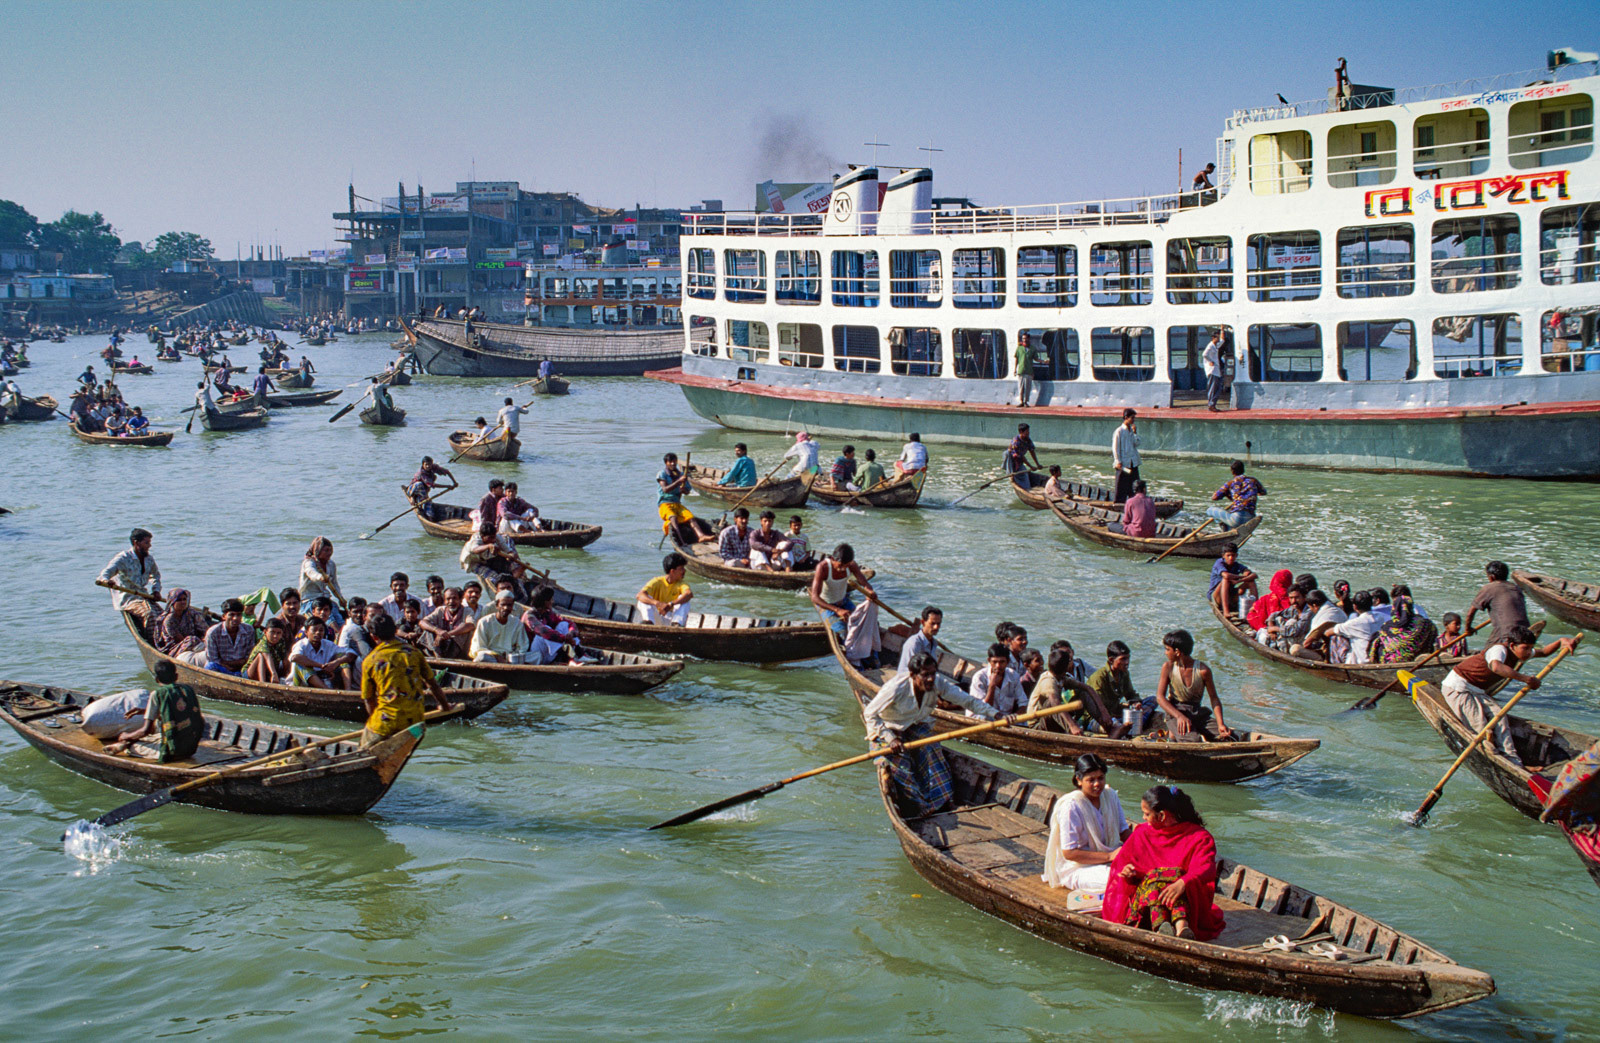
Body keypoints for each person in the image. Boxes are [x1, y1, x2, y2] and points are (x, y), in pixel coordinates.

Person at [862, 652, 1002, 816]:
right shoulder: (896, 688)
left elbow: (967, 701)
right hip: (886, 727)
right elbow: (870, 714)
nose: (930, 679)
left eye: (933, 674)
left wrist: (995, 714)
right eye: (925, 675)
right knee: (900, 765)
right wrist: (891, 738)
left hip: (913, 724)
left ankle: (944, 800)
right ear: (913, 675)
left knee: (932, 748)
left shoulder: (938, 683)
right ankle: (919, 806)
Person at [1440, 626, 1579, 764]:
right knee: (1480, 727)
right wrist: (1526, 679)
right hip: (1458, 687)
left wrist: (1561, 642)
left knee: (1500, 717)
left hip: (1477, 690)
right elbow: (1496, 667)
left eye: (1531, 648)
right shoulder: (1499, 650)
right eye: (1526, 648)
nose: (1528, 652)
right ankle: (1493, 757)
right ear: (1512, 645)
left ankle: (1513, 760)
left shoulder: (1519, 652)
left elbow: (1543, 652)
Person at [1103, 786, 1225, 940]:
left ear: (1161, 816)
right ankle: (1164, 927)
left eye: (1147, 814)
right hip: (1146, 903)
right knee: (1155, 879)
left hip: (1183, 901)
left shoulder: (1200, 837)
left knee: (1174, 877)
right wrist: (1129, 873)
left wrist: (1183, 883)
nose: (1143, 818)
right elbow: (1123, 865)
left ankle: (1181, 928)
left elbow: (1205, 868)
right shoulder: (1141, 833)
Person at [1042, 754, 1134, 893]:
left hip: (1112, 858)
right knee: (1121, 879)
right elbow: (1069, 853)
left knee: (1141, 871)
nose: (1097, 784)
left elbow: (1123, 831)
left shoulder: (1111, 796)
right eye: (1091, 780)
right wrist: (1109, 856)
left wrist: (1140, 847)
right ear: (1079, 780)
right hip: (1078, 868)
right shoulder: (1071, 806)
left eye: (1100, 778)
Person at [359, 612, 453, 747]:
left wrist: (373, 723)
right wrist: (445, 707)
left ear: (373, 637)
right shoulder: (414, 653)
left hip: (387, 722)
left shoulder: (370, 660)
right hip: (415, 723)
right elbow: (433, 685)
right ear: (395, 632)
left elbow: (368, 699)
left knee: (363, 749)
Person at [105, 660, 204, 763]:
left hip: (172, 752)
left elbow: (145, 730)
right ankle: (126, 743)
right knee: (154, 735)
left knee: (132, 746)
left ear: (156, 679)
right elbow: (176, 712)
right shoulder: (188, 690)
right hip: (191, 747)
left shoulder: (157, 694)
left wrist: (126, 736)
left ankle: (124, 745)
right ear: (176, 676)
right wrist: (145, 711)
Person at [810, 543, 881, 668]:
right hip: (827, 605)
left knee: (866, 625)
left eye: (846, 566)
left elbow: (864, 582)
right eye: (841, 565)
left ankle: (871, 658)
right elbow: (815, 597)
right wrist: (837, 610)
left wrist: (869, 591)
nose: (843, 568)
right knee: (843, 632)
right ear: (833, 559)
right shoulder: (823, 567)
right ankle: (855, 661)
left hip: (844, 601)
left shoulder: (851, 565)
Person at [1155, 630, 1234, 740]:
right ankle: (1173, 734)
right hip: (1175, 712)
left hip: (1197, 713)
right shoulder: (1168, 667)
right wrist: (1179, 717)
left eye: (1168, 649)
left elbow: (1214, 698)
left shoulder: (1203, 670)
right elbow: (1160, 697)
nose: (1165, 653)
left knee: (1228, 736)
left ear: (1177, 652)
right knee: (1193, 740)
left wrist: (1221, 724)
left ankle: (1175, 734)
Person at [1027, 642, 1102, 734]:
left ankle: (1105, 725)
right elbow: (1054, 703)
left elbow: (1088, 688)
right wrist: (1072, 726)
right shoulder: (1048, 680)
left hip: (1054, 720)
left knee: (1082, 692)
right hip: (1038, 725)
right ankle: (1072, 730)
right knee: (1051, 703)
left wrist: (1105, 715)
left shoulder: (1062, 678)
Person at [98, 528, 162, 625]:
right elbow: (105, 574)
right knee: (149, 614)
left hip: (144, 595)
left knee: (163, 616)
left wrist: (156, 590)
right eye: (146, 543)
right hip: (128, 598)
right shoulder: (123, 558)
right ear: (136, 543)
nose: (149, 546)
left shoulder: (149, 559)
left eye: (149, 543)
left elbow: (156, 576)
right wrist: (106, 581)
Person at [1087, 641, 1151, 738]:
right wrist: (1116, 716)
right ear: (1111, 660)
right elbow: (1098, 709)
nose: (1127, 662)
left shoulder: (1124, 674)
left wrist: (1136, 703)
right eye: (1123, 659)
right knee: (1116, 725)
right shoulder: (1099, 677)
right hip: (1097, 718)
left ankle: (1131, 725)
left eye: (1128, 658)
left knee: (1152, 700)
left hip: (1116, 712)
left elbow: (1130, 694)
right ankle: (1125, 728)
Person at [1465, 560, 1530, 648]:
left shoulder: (1489, 588)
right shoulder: (1516, 588)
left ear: (1492, 577)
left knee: (1487, 654)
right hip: (1526, 631)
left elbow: (1470, 613)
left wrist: (1468, 629)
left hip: (1506, 633)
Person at [523, 585, 593, 665]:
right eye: (551, 599)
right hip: (535, 655)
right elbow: (543, 631)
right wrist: (564, 638)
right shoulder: (529, 616)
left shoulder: (548, 613)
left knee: (563, 624)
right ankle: (569, 658)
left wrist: (570, 634)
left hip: (548, 653)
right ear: (545, 602)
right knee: (546, 631)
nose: (553, 601)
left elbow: (570, 623)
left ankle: (580, 655)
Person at [658, 452, 714, 542]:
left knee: (690, 517)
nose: (673, 463)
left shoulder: (681, 474)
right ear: (666, 463)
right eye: (670, 462)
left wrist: (684, 490)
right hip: (665, 503)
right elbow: (665, 489)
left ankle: (701, 536)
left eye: (674, 461)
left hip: (677, 503)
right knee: (673, 517)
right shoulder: (662, 474)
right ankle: (681, 541)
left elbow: (687, 491)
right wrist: (678, 482)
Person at [1371, 595, 1439, 664]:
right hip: (1421, 660)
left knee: (1378, 640)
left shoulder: (1387, 628)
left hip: (1392, 663)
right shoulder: (1425, 624)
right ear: (1410, 607)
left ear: (1395, 608)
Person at [470, 590, 532, 662]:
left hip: (511, 657)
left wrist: (513, 656)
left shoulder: (517, 622)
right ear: (497, 605)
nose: (506, 608)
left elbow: (523, 646)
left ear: (512, 606)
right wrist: (496, 656)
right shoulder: (484, 622)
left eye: (509, 605)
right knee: (482, 657)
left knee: (537, 656)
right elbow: (479, 647)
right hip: (492, 657)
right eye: (503, 604)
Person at [968, 643, 1029, 716]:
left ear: (1008, 661)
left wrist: (1014, 717)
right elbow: (983, 709)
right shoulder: (979, 677)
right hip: (982, 716)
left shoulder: (1013, 676)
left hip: (1005, 718)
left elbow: (1023, 703)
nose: (998, 666)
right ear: (989, 661)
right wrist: (992, 686)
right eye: (994, 662)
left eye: (1002, 662)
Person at [200, 598, 256, 675]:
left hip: (242, 668)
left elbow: (249, 656)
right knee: (211, 666)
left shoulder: (249, 630)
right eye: (231, 615)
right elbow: (213, 658)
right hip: (222, 667)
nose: (235, 618)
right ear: (224, 616)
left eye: (238, 615)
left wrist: (239, 664)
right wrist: (226, 666)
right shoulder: (213, 633)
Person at [1207, 460, 1266, 530]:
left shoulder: (1230, 483)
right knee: (1230, 516)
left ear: (1232, 471)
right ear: (1243, 470)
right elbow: (1263, 492)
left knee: (1209, 510)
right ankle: (1227, 528)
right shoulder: (1253, 481)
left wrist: (1225, 493)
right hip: (1251, 517)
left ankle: (1224, 526)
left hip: (1237, 519)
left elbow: (1214, 497)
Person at [638, 553, 694, 626]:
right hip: (657, 617)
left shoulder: (681, 584)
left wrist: (671, 604)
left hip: (672, 619)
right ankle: (649, 623)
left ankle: (676, 624)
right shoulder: (657, 581)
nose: (684, 571)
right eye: (681, 569)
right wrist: (658, 603)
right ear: (672, 571)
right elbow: (639, 595)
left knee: (685, 600)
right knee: (643, 600)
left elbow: (689, 594)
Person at [152, 588, 208, 659]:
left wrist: (205, 639)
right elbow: (179, 639)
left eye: (184, 599)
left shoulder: (192, 613)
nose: (183, 602)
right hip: (174, 649)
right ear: (173, 602)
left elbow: (206, 630)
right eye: (179, 600)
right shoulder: (169, 620)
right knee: (192, 640)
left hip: (196, 643)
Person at [420, 587, 474, 660]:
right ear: (444, 601)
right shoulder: (440, 610)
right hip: (441, 645)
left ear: (460, 600)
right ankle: (438, 657)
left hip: (458, 648)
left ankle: (443, 659)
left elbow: (470, 625)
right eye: (448, 599)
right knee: (428, 629)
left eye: (454, 598)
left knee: (463, 628)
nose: (451, 601)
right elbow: (422, 622)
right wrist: (438, 631)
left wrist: (448, 634)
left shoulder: (467, 610)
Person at [1292, 589, 1346, 659]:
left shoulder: (1324, 617)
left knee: (1295, 649)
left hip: (1334, 654)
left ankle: (1321, 660)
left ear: (1315, 606)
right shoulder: (1336, 610)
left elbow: (1307, 644)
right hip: (1344, 649)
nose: (1311, 610)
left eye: (1310, 607)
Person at [1329, 590, 1379, 664]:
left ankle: (1335, 665)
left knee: (1335, 637)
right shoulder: (1381, 617)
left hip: (1363, 662)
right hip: (1377, 659)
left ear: (1355, 607)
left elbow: (1328, 632)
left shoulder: (1354, 623)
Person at [298, 536, 345, 614]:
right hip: (310, 600)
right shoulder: (309, 562)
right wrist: (320, 577)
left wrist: (341, 599)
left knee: (338, 615)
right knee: (328, 617)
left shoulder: (331, 564)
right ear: (318, 551)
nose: (329, 553)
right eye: (326, 550)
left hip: (325, 599)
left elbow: (334, 584)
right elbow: (311, 572)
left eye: (330, 550)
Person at [1208, 544, 1258, 615]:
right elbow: (1226, 575)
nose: (1231, 558)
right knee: (1226, 579)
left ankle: (1256, 609)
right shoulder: (1219, 563)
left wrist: (1239, 581)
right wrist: (1241, 577)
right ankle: (1226, 611)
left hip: (1230, 596)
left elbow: (1254, 575)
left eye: (1233, 555)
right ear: (1223, 556)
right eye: (1228, 555)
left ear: (1236, 556)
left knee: (1251, 581)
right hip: (1217, 597)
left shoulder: (1237, 565)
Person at [245, 616, 293, 684]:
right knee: (261, 656)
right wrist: (273, 673)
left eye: (278, 633)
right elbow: (267, 657)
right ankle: (263, 683)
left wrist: (287, 674)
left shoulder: (281, 642)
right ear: (265, 632)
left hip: (269, 672)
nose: (275, 636)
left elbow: (284, 659)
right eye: (272, 632)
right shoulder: (263, 642)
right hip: (250, 673)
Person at [339, 598, 375, 673]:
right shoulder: (350, 628)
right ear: (349, 613)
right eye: (355, 612)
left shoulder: (364, 624)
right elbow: (341, 650)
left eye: (361, 611)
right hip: (353, 661)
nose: (359, 615)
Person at [1112, 409, 1140, 503]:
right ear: (1126, 418)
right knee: (1121, 487)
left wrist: (1135, 433)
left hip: (1133, 462)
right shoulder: (1119, 431)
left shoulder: (1131, 431)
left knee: (1135, 485)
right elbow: (1115, 447)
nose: (1133, 420)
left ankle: (1135, 503)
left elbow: (1137, 444)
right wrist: (1117, 461)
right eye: (1132, 418)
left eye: (1134, 418)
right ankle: (1119, 504)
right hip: (1123, 464)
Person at [1202, 328, 1225, 411]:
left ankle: (1213, 404)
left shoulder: (1216, 345)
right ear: (1213, 338)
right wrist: (1210, 361)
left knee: (1218, 388)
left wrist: (1222, 330)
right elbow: (1204, 354)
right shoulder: (1210, 346)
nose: (1218, 339)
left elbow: (1222, 340)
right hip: (1212, 370)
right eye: (1217, 337)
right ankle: (1211, 405)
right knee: (1213, 388)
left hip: (1216, 370)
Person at [1014, 332, 1034, 407]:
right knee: (1021, 387)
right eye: (1023, 338)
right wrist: (1015, 369)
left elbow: (1035, 358)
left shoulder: (1032, 348)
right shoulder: (1019, 348)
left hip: (1029, 371)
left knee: (1028, 387)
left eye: (1025, 338)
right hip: (1021, 370)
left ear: (1028, 339)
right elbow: (1016, 359)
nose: (1024, 340)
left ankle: (1026, 402)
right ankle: (1021, 401)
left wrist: (1043, 361)